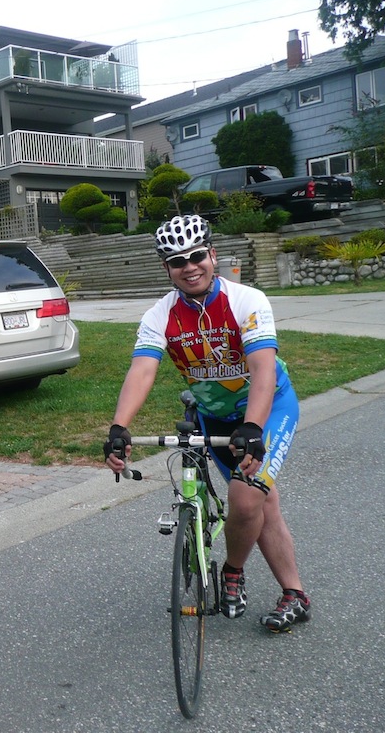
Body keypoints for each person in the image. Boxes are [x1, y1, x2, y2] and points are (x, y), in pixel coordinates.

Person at [103, 214, 310, 633]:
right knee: (261, 501)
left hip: (268, 409)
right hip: (214, 415)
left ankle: (232, 570)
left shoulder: (247, 300)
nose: (189, 266)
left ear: (213, 255)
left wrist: (253, 428)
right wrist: (119, 427)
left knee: (247, 499)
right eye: (177, 261)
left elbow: (262, 369)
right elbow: (143, 370)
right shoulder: (160, 314)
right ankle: (296, 594)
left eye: (196, 255)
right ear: (167, 268)